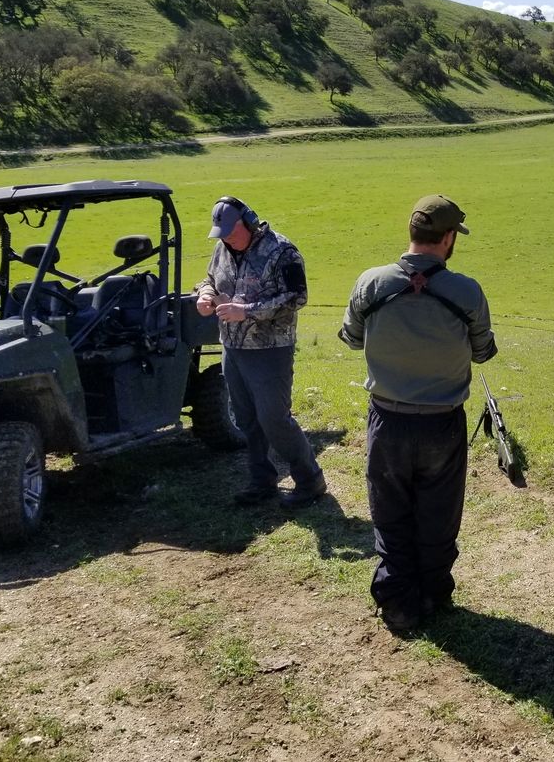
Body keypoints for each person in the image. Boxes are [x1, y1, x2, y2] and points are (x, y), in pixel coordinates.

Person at [339, 195, 497, 633]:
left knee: (390, 514)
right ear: (447, 239)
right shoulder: (466, 291)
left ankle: (397, 603)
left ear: (412, 234)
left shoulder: (370, 283)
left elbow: (351, 338)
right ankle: (434, 593)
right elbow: (484, 352)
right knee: (439, 513)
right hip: (443, 423)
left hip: (387, 420)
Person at [195, 196, 326, 510]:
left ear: (249, 222)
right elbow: (210, 278)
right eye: (222, 233)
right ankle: (261, 481)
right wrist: (205, 293)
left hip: (270, 349)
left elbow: (297, 297)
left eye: (231, 231)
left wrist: (248, 311)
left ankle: (310, 480)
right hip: (233, 347)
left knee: (274, 419)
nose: (227, 238)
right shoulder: (222, 249)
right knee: (246, 419)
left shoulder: (282, 251)